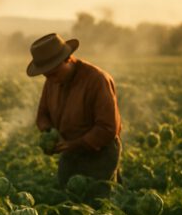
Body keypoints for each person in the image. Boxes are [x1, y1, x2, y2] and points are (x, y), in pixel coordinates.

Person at [27, 33, 122, 203]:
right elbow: (43, 114)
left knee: (98, 205)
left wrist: (74, 143)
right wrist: (49, 134)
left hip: (99, 154)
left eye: (53, 72)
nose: (50, 79)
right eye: (46, 75)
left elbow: (107, 128)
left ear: (67, 59)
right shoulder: (52, 80)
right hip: (69, 152)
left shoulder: (97, 80)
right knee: (68, 203)